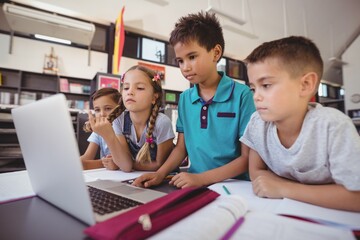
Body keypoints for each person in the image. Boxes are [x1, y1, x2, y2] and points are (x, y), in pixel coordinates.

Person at [133, 12, 255, 189]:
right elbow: (181, 148)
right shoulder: (185, 99)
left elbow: (247, 159)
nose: (185, 67)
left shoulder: (242, 95)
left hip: (235, 186)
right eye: (180, 61)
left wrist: (202, 179)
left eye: (192, 57)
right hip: (194, 183)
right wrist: (160, 173)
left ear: (216, 53)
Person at [241, 36, 360, 211]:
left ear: (305, 85)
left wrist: (284, 188)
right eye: (253, 88)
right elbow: (256, 173)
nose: (256, 96)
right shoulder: (257, 123)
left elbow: (356, 198)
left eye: (266, 85)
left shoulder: (333, 126)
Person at [87, 65, 175, 172]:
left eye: (140, 88)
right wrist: (108, 135)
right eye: (126, 88)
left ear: (154, 97)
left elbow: (159, 165)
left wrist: (122, 162)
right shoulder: (119, 120)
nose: (130, 92)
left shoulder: (162, 123)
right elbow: (126, 167)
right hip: (133, 178)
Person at [80, 87, 120, 170]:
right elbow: (87, 156)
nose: (102, 114)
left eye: (108, 108)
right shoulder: (98, 130)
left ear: (120, 108)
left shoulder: (122, 129)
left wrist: (85, 164)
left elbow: (119, 161)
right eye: (97, 110)